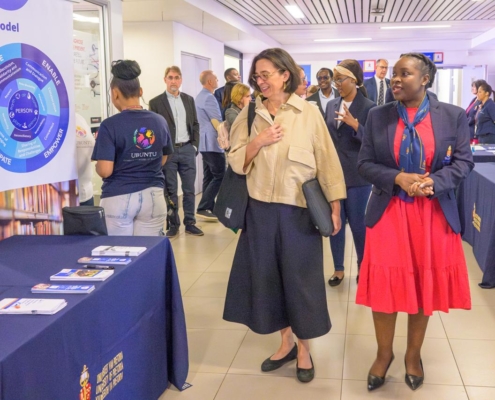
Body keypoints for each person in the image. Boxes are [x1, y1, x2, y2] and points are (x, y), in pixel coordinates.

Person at [223, 48, 346, 383]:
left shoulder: (308, 113)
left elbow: (327, 160)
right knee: (269, 279)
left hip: (298, 212)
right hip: (259, 210)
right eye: (256, 76)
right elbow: (235, 160)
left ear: (285, 75)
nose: (260, 81)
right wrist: (258, 142)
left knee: (301, 282)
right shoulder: (250, 113)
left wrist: (335, 205)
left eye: (266, 75)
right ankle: (286, 342)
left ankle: (305, 348)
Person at [356, 53, 473, 392]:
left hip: (432, 214)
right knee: (385, 289)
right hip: (390, 212)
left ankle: (412, 355)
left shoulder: (451, 116)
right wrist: (397, 177)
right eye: (394, 73)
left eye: (404, 73)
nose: (395, 78)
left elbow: (463, 162)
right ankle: (383, 354)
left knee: (423, 285)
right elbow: (364, 163)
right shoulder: (377, 116)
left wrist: (434, 181)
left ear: (424, 79)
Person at [92, 60, 173, 236]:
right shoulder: (160, 121)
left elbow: (105, 170)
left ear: (115, 93)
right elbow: (163, 159)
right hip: (154, 196)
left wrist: (97, 166)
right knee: (148, 250)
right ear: (140, 91)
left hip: (118, 196)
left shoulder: (110, 125)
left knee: (118, 250)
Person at [324, 60, 375, 287]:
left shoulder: (369, 107)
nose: (336, 84)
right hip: (333, 174)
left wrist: (356, 126)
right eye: (334, 80)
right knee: (335, 223)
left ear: (353, 80)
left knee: (357, 224)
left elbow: (374, 143)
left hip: (357, 176)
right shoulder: (331, 105)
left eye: (340, 79)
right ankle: (338, 268)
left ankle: (363, 266)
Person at [148, 65, 203, 238]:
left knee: (189, 189)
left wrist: (194, 146)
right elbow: (153, 130)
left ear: (181, 80)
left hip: (187, 149)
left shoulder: (188, 100)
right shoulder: (156, 103)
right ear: (165, 80)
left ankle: (190, 223)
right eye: (170, 77)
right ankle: (173, 224)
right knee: (171, 190)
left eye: (177, 77)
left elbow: (195, 124)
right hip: (168, 152)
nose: (174, 81)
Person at [195, 70, 225, 221]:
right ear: (210, 82)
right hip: (212, 143)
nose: (218, 80)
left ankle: (208, 207)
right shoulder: (209, 98)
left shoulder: (200, 96)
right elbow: (216, 121)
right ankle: (203, 206)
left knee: (209, 176)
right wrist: (224, 138)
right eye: (216, 78)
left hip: (204, 143)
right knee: (220, 174)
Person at [75, 113, 95, 206]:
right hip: (65, 196)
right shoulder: (52, 122)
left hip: (87, 193)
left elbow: (90, 152)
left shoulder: (79, 118)